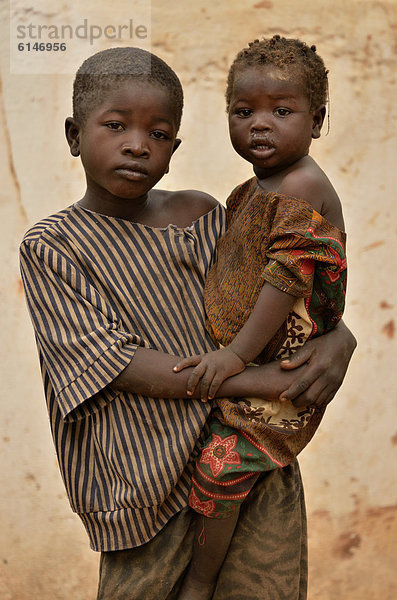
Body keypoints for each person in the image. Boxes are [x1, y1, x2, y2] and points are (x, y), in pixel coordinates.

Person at [19, 46, 355, 600]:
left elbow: (280, 287)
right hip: (143, 483)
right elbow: (116, 364)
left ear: (174, 149)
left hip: (246, 459)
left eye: (158, 133)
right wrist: (257, 379)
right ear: (74, 135)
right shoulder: (55, 247)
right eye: (115, 126)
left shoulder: (204, 216)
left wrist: (340, 337)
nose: (136, 144)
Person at [174, 35, 348, 600]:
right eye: (243, 111)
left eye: (282, 110)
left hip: (282, 374)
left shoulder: (301, 186)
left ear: (317, 120)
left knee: (220, 468)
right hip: (256, 365)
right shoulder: (249, 190)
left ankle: (199, 584)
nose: (260, 124)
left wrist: (234, 355)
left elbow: (284, 280)